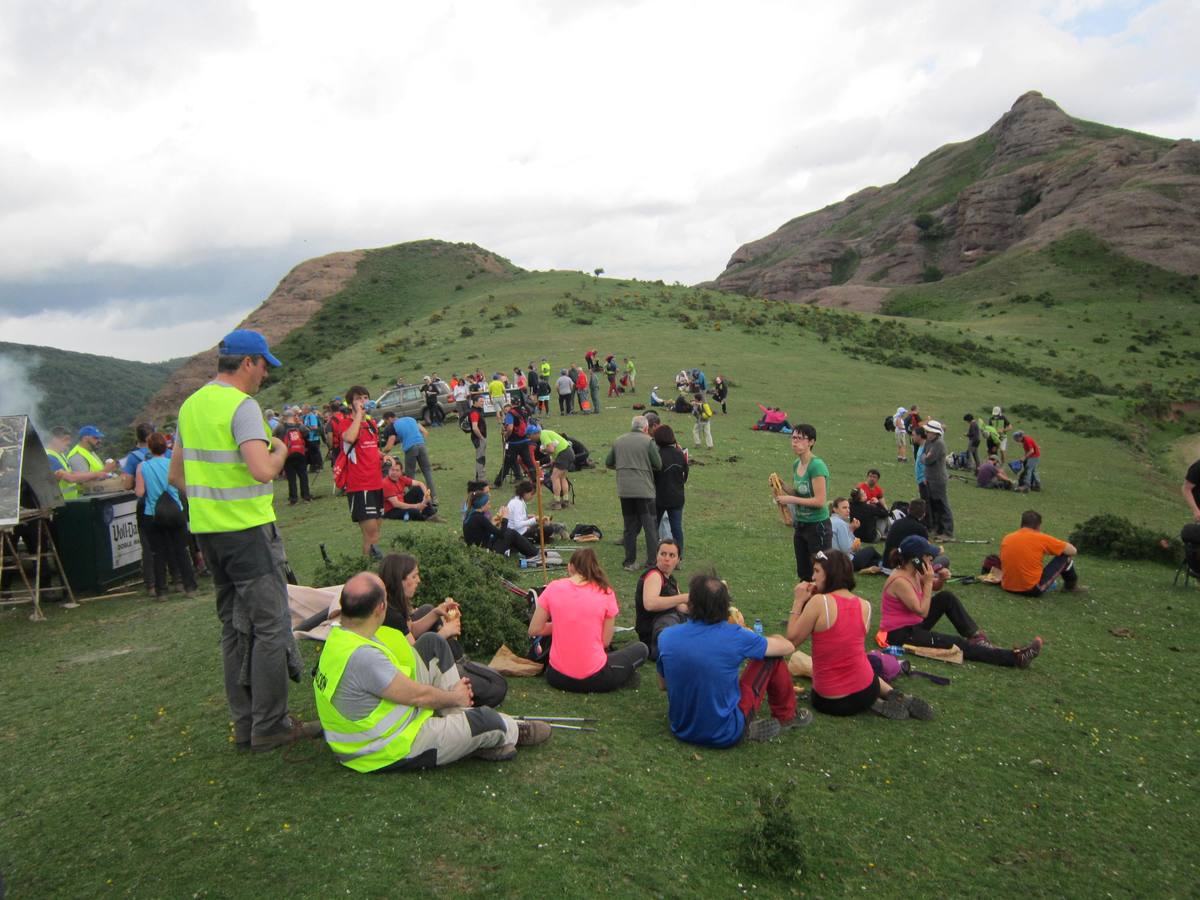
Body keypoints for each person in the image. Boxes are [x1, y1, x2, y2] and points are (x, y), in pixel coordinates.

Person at [169, 328, 320, 753]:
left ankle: (244, 723)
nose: (265, 376)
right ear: (249, 363)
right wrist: (280, 450)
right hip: (248, 533)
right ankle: (271, 725)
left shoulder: (191, 405)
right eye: (264, 366)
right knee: (272, 626)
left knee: (233, 629)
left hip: (209, 535)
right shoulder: (243, 406)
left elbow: (177, 476)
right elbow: (261, 470)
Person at [313, 572, 548, 770]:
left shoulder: (341, 635)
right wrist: (455, 696)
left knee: (432, 643)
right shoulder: (363, 656)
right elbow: (418, 696)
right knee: (487, 721)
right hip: (387, 746)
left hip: (381, 723)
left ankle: (460, 722)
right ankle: (511, 730)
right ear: (380, 607)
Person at [656, 573, 804, 746]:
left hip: (681, 728)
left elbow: (663, 685)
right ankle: (787, 716)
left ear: (691, 604)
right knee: (771, 657)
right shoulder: (736, 635)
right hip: (726, 733)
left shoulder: (667, 636)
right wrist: (756, 635)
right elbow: (788, 647)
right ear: (725, 606)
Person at [787, 550, 931, 719]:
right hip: (866, 690)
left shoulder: (819, 602)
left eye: (817, 571)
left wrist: (798, 601)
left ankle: (877, 701)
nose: (813, 577)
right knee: (861, 660)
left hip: (829, 700)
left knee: (855, 663)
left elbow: (792, 640)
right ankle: (890, 694)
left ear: (831, 573)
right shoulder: (865, 606)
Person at [882, 536, 1043, 667]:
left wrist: (940, 580)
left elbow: (931, 590)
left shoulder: (914, 571)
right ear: (916, 559)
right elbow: (922, 610)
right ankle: (1015, 658)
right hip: (900, 635)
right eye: (928, 555)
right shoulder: (900, 581)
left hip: (913, 624)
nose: (931, 558)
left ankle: (977, 638)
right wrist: (930, 581)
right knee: (957, 644)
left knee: (947, 598)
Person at [528, 548, 648, 693]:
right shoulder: (606, 592)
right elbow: (605, 642)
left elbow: (534, 629)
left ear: (570, 567)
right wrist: (568, 625)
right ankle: (625, 675)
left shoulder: (553, 588)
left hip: (556, 677)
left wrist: (564, 624)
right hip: (595, 678)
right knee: (641, 649)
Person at [135, 432, 198, 601]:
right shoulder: (172, 464)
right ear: (166, 446)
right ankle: (189, 586)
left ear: (149, 447)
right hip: (175, 511)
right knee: (181, 550)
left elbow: (139, 492)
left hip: (153, 514)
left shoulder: (143, 467)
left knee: (157, 553)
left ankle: (161, 590)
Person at [605, 416, 662, 572]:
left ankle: (629, 562)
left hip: (625, 490)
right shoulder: (648, 441)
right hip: (644, 490)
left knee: (629, 527)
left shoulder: (619, 441)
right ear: (645, 428)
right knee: (650, 526)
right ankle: (652, 562)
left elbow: (608, 462)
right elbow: (658, 464)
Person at [774, 425, 831, 581]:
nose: (795, 442)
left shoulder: (817, 466)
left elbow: (820, 501)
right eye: (793, 437)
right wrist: (782, 486)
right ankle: (803, 605)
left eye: (800, 438)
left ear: (811, 442)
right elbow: (800, 493)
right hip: (801, 526)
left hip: (817, 527)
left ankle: (821, 605)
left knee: (821, 572)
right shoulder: (796, 464)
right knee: (804, 573)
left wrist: (789, 500)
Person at [337, 386, 384, 557]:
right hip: (360, 486)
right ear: (351, 405)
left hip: (376, 484)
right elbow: (349, 438)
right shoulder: (346, 423)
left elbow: (370, 449)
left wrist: (384, 456)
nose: (363, 401)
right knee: (370, 535)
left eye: (365, 397)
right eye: (358, 398)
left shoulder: (371, 424)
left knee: (376, 534)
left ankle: (370, 572)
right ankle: (367, 574)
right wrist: (358, 415)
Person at [1000, 510, 1087, 595]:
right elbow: (1073, 551)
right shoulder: (1041, 538)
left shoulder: (1007, 537)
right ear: (1038, 526)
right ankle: (1070, 587)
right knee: (1066, 556)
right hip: (1031, 589)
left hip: (1007, 586)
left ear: (1021, 524)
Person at [633, 539, 688, 659]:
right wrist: (683, 597)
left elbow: (680, 607)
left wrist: (703, 605)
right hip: (653, 633)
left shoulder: (671, 579)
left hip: (669, 624)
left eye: (671, 555)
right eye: (663, 554)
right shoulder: (654, 575)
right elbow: (650, 604)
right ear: (657, 556)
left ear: (678, 560)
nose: (666, 558)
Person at [462, 491, 538, 558]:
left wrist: (493, 524)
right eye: (488, 504)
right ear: (482, 506)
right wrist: (505, 518)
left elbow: (481, 533)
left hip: (479, 549)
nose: (490, 506)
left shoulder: (471, 516)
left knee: (509, 532)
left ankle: (529, 550)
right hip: (485, 553)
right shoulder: (480, 518)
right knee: (511, 533)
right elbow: (501, 534)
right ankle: (534, 552)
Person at [45, 425, 113, 499]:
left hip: (70, 501)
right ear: (54, 439)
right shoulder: (49, 456)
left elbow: (71, 473)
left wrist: (98, 474)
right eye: (65, 439)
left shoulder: (60, 454)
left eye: (69, 439)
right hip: (62, 502)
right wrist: (97, 474)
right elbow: (70, 478)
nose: (69, 442)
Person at [653, 425, 688, 560]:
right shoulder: (680, 454)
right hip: (677, 497)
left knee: (653, 527)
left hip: (660, 497)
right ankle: (677, 556)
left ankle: (655, 554)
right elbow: (685, 474)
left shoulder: (657, 455)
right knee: (676, 528)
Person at [829, 498, 883, 573]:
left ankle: (879, 565)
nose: (848, 510)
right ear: (835, 509)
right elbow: (846, 549)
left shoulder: (830, 520)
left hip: (835, 563)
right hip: (846, 563)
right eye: (844, 508)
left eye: (848, 507)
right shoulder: (840, 524)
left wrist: (851, 530)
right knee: (871, 550)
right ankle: (887, 563)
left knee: (872, 561)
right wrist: (853, 535)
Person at [920, 420, 954, 540]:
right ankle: (938, 529)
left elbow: (929, 460)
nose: (927, 433)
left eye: (929, 431)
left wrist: (925, 457)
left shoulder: (939, 444)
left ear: (935, 433)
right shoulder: (929, 442)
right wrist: (925, 457)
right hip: (929, 477)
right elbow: (922, 457)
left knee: (942, 505)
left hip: (938, 479)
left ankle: (948, 532)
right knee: (934, 505)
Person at [393, 415, 437, 503]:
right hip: (421, 445)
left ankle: (416, 498)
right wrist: (420, 442)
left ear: (390, 419)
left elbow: (395, 439)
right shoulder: (412, 419)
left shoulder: (394, 425)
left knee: (410, 474)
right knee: (427, 472)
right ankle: (433, 498)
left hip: (410, 448)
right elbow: (425, 432)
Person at [493, 402, 536, 487]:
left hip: (513, 443)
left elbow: (510, 428)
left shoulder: (510, 414)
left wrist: (506, 435)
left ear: (511, 404)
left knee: (507, 463)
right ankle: (535, 480)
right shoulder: (524, 411)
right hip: (524, 441)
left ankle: (497, 483)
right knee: (528, 461)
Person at [276, 410, 313, 505]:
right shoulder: (300, 426)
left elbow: (274, 436)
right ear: (294, 416)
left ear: (284, 417)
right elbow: (307, 434)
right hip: (300, 452)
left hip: (287, 453)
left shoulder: (280, 427)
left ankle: (293, 499)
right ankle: (306, 497)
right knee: (303, 475)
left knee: (291, 477)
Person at [532, 427, 573, 509]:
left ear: (534, 434)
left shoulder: (543, 435)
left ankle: (557, 503)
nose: (530, 439)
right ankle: (565, 501)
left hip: (563, 454)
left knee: (554, 477)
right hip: (568, 452)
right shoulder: (545, 432)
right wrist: (553, 459)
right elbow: (554, 446)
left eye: (529, 436)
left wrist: (544, 451)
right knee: (562, 477)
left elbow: (551, 449)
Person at [467, 393, 488, 482]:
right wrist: (482, 438)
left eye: (483, 401)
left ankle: (478, 477)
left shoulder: (477, 410)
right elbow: (475, 427)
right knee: (480, 458)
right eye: (480, 401)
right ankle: (481, 479)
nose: (482, 403)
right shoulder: (474, 412)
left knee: (481, 456)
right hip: (478, 438)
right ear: (475, 402)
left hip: (479, 437)